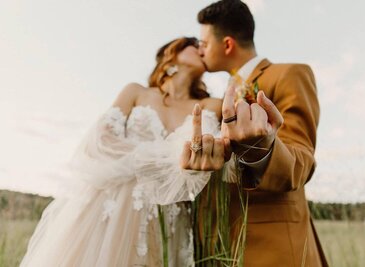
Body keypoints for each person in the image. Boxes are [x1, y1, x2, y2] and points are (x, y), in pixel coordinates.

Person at [20, 37, 226, 267]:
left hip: (169, 211)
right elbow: (101, 142)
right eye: (194, 43)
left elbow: (200, 154)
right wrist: (162, 159)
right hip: (115, 203)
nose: (202, 48)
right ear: (172, 53)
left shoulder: (211, 105)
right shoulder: (136, 92)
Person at [193, 0, 328, 266]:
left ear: (228, 44)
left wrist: (262, 149)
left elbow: (301, 160)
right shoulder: (219, 98)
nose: (200, 51)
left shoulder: (288, 74)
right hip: (218, 246)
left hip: (273, 248)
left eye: (204, 44)